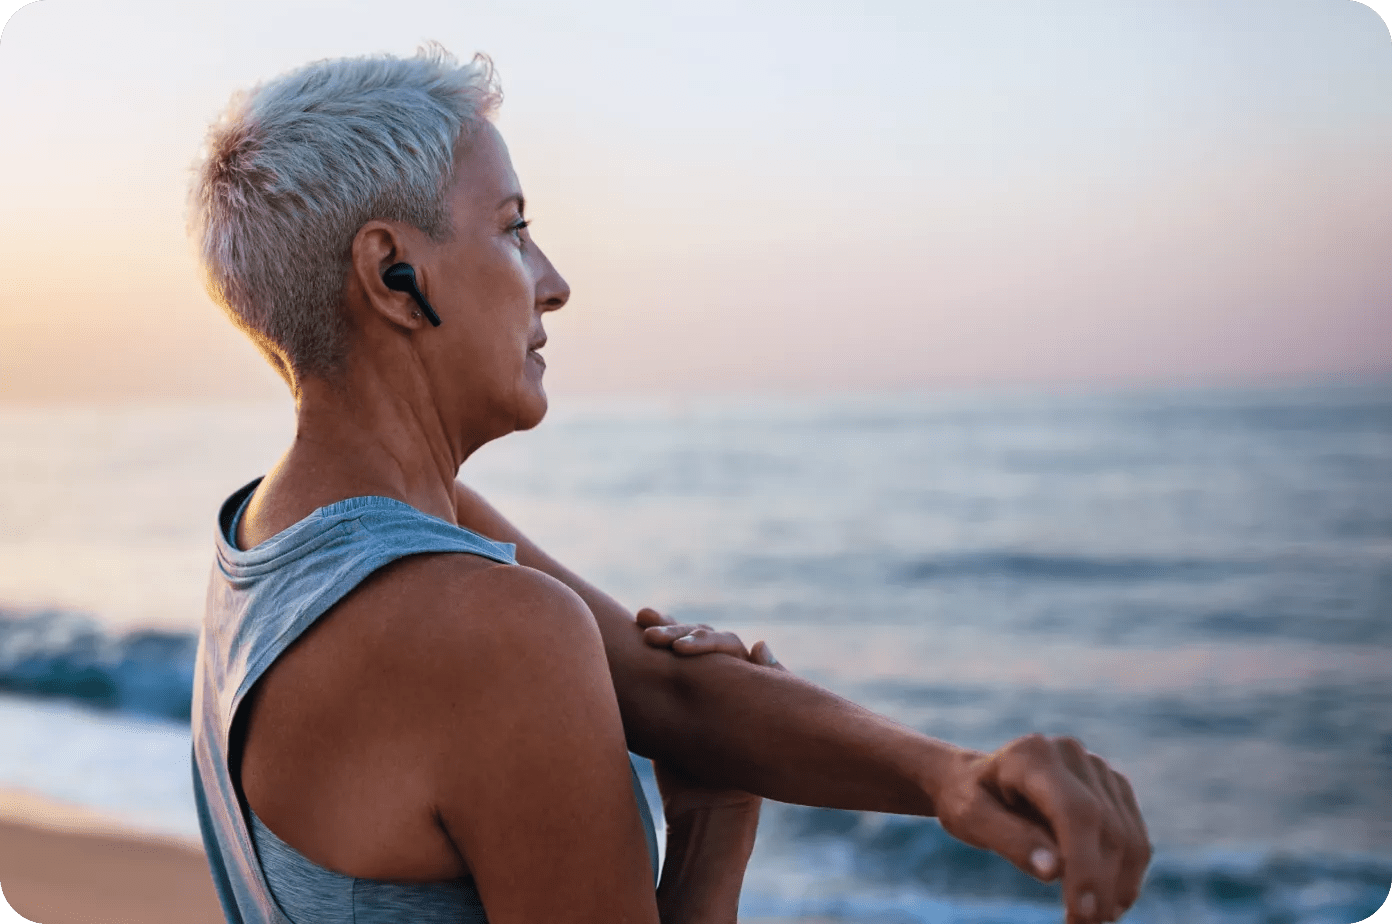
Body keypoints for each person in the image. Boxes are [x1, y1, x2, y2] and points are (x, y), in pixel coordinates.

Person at [188, 44, 1150, 924]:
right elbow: (581, 676)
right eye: (514, 230)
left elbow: (667, 693)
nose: (553, 281)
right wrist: (710, 837)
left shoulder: (272, 543)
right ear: (395, 277)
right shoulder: (484, 629)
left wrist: (952, 775)